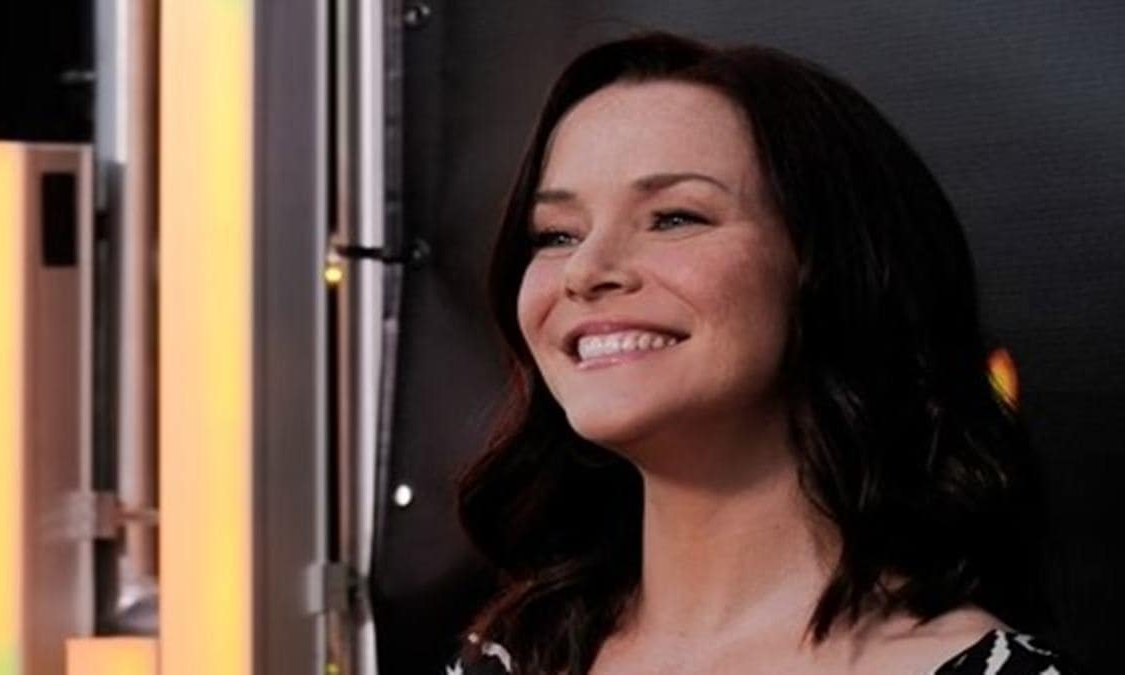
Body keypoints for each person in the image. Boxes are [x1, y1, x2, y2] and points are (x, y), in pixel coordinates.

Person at [450, 32, 1078, 674]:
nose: (585, 270)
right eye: (556, 234)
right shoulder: (506, 660)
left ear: (831, 268)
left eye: (674, 217)